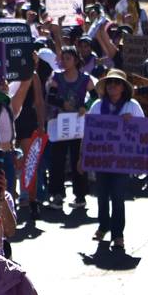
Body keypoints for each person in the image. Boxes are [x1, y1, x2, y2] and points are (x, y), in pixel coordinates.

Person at [87, 69, 145, 252]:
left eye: (117, 82)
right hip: (101, 160)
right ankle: (103, 226)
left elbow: (143, 132)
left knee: (118, 198)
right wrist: (82, 158)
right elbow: (88, 133)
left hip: (122, 161)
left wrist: (131, 123)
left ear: (123, 87)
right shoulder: (97, 105)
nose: (112, 85)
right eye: (110, 82)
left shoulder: (132, 106)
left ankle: (118, 235)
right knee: (102, 196)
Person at [45, 45, 92, 210]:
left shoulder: (85, 79)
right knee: (57, 159)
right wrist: (61, 103)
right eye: (63, 58)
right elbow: (50, 97)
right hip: (61, 123)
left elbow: (94, 96)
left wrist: (85, 106)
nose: (65, 62)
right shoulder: (57, 77)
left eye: (68, 58)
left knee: (77, 159)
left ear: (76, 60)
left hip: (78, 124)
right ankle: (57, 194)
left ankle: (80, 195)